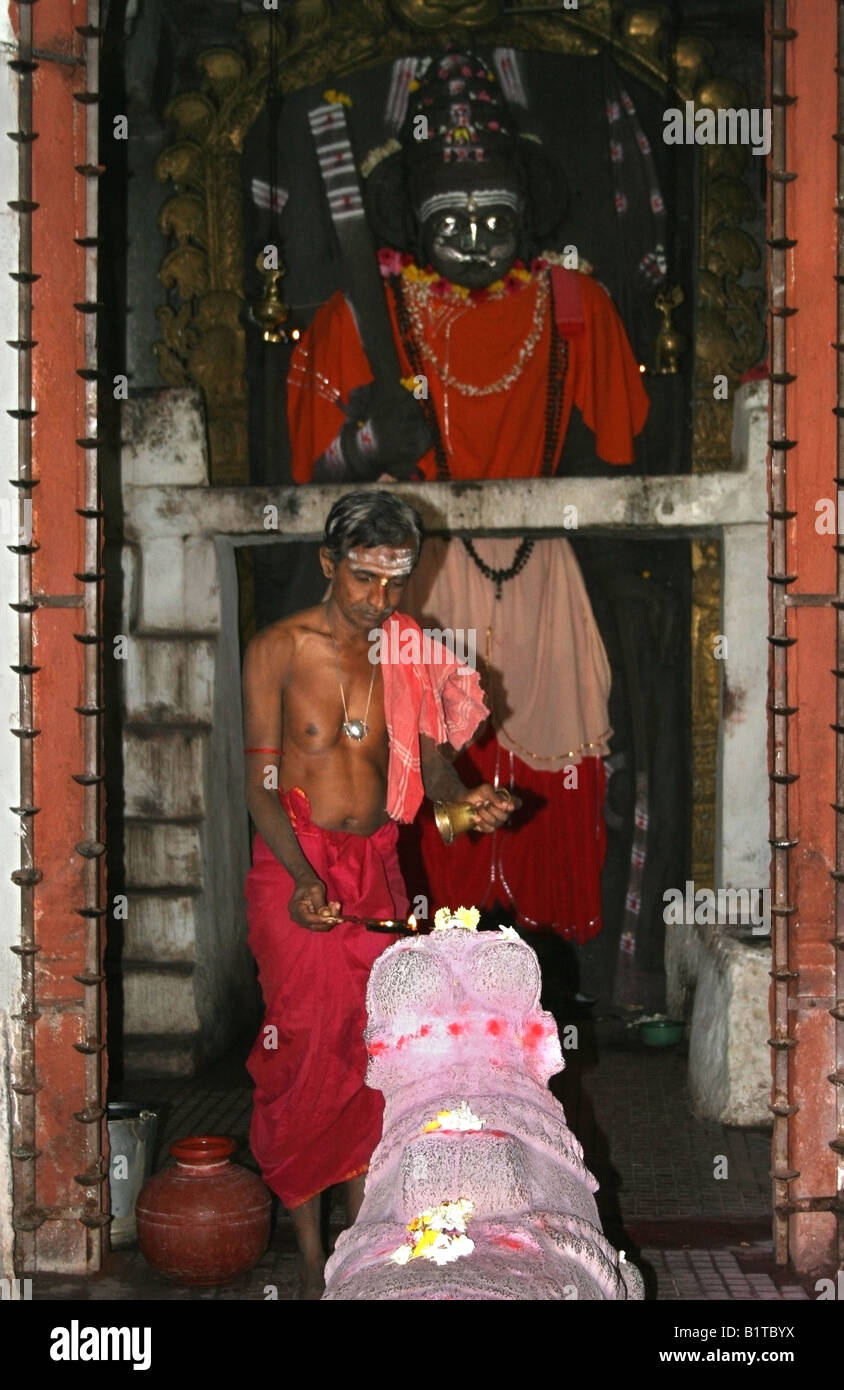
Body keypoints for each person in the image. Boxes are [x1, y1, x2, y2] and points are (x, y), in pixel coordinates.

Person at [286, 50, 649, 944]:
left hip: (542, 563)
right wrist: (371, 441)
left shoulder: (572, 304)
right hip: (418, 571)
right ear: (414, 221)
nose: (481, 240)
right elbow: (309, 474)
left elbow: (622, 446)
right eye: (456, 219)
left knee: (556, 755)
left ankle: (547, 957)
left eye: (498, 218)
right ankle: (431, 953)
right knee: (422, 753)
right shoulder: (357, 315)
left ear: (529, 220)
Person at [241, 489, 513, 1298]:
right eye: (363, 581)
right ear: (330, 564)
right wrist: (300, 879)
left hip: (377, 869)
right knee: (301, 1051)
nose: (379, 602)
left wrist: (468, 802)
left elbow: (429, 767)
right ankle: (303, 1251)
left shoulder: (408, 651)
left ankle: (357, 1251)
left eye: (395, 584)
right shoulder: (277, 650)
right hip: (294, 867)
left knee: (375, 1055)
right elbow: (258, 785)